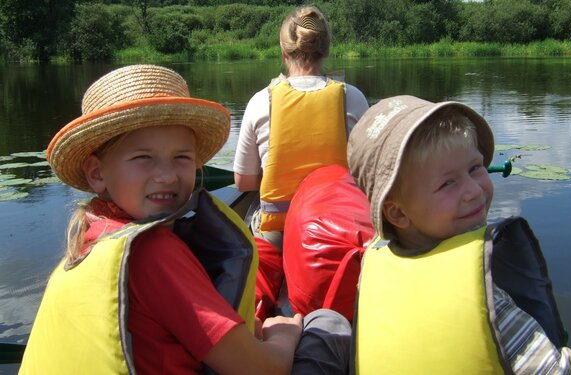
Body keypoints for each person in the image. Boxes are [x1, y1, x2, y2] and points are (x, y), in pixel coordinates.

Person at [19, 64, 351, 375]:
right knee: (329, 325)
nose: (166, 175)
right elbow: (262, 369)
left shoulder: (87, 243)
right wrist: (285, 335)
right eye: (143, 158)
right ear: (96, 173)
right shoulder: (155, 253)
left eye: (181, 157)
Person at [346, 95, 571, 374]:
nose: (474, 191)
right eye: (447, 183)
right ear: (397, 214)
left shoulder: (374, 264)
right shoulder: (485, 302)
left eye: (475, 168)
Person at [233, 5, 369, 250]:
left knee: (249, 213)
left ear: (284, 52)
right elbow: (369, 172)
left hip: (279, 232)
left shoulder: (260, 101)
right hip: (339, 226)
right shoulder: (354, 97)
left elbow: (243, 182)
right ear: (326, 51)